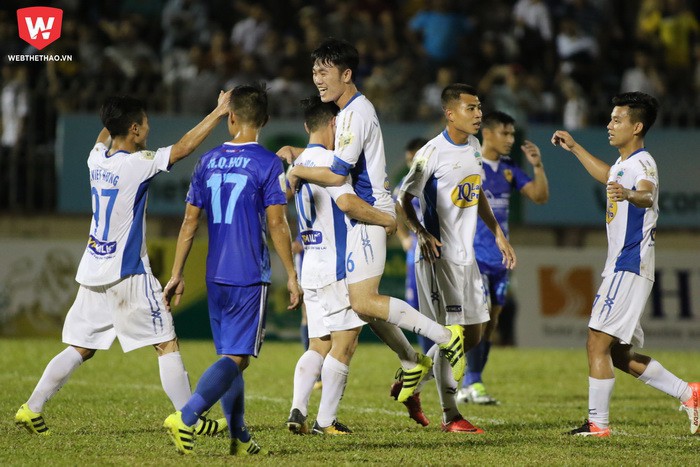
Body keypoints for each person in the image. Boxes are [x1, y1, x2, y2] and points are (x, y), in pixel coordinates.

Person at [14, 92, 232, 437]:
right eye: (144, 122)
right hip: (127, 270)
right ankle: (187, 418)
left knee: (81, 347)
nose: (149, 126)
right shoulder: (138, 163)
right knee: (166, 342)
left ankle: (31, 408)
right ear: (134, 129)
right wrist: (219, 111)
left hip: (94, 268)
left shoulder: (96, 158)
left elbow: (105, 135)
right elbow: (184, 147)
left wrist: (110, 114)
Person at [281, 38, 467, 401]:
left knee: (364, 302)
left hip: (369, 213)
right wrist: (298, 154)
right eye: (314, 71)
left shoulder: (354, 113)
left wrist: (296, 169)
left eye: (324, 72)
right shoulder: (350, 112)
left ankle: (448, 338)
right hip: (360, 219)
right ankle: (412, 361)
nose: (317, 79)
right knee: (361, 305)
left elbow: (336, 175)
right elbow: (336, 161)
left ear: (346, 74)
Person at [161, 84, 302, 455]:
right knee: (237, 357)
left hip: (215, 274)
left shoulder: (206, 161)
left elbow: (189, 223)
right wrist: (291, 273)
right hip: (248, 274)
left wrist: (176, 273)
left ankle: (238, 434)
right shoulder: (268, 163)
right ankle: (187, 415)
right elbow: (277, 224)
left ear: (231, 118)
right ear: (266, 121)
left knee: (229, 356)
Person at [551, 91, 699, 437]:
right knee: (617, 353)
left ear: (637, 126)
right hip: (623, 266)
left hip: (628, 265)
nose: (609, 125)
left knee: (595, 342)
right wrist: (574, 147)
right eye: (610, 118)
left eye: (617, 120)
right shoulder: (623, 164)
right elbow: (609, 175)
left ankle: (598, 426)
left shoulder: (643, 164)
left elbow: (646, 194)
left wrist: (630, 195)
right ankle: (688, 393)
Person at [399, 83, 516, 433]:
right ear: (450, 114)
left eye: (479, 107)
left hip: (469, 258)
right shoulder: (430, 153)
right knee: (452, 336)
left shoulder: (475, 146)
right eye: (471, 108)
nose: (478, 113)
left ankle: (412, 376)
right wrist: (420, 232)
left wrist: (497, 234)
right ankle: (452, 416)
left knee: (475, 334)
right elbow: (404, 198)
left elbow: (476, 192)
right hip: (440, 257)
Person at [286, 96, 397, 435]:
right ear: (336, 125)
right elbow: (347, 203)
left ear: (307, 126)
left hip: (311, 266)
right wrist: (385, 219)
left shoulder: (300, 163)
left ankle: (297, 411)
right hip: (337, 266)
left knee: (317, 343)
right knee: (344, 344)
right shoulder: (333, 166)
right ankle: (325, 421)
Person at [457, 111, 549, 405]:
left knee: (492, 320)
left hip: (500, 257)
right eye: (505, 134)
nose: (510, 140)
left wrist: (537, 166)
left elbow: (539, 196)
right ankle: (472, 381)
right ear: (488, 134)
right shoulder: (471, 164)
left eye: (512, 134)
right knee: (479, 315)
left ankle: (471, 383)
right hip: (474, 254)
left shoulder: (509, 168)